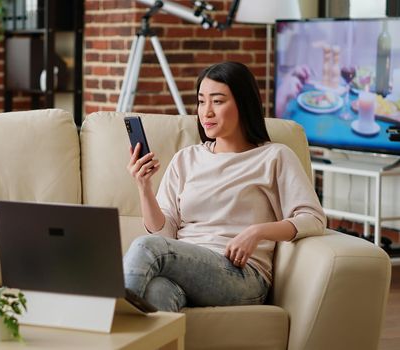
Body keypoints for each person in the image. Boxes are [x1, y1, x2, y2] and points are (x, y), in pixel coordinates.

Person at [124, 61, 326, 312]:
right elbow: (163, 236)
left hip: (242, 275)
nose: (206, 111)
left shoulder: (274, 156)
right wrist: (144, 187)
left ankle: (104, 324)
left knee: (145, 246)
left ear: (243, 104)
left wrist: (258, 232)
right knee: (157, 291)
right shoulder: (186, 159)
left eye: (217, 101)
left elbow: (313, 218)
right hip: (185, 268)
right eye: (201, 101)